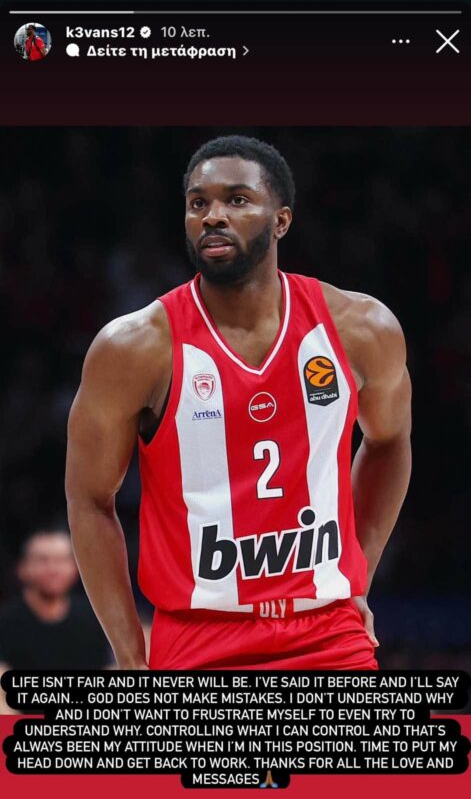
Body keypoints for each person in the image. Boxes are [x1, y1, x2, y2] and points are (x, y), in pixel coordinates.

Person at [65, 135, 412, 673]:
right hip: (198, 637)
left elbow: (389, 442)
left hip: (327, 631)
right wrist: (131, 653)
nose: (212, 216)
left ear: (281, 221)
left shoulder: (361, 328)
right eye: (198, 203)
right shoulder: (134, 348)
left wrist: (358, 577)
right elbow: (89, 500)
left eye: (237, 199)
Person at [0, 530, 112, 710]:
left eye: (61, 560)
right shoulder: (6, 623)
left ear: (76, 568)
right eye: (43, 560)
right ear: (23, 568)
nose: (53, 569)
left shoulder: (94, 619)